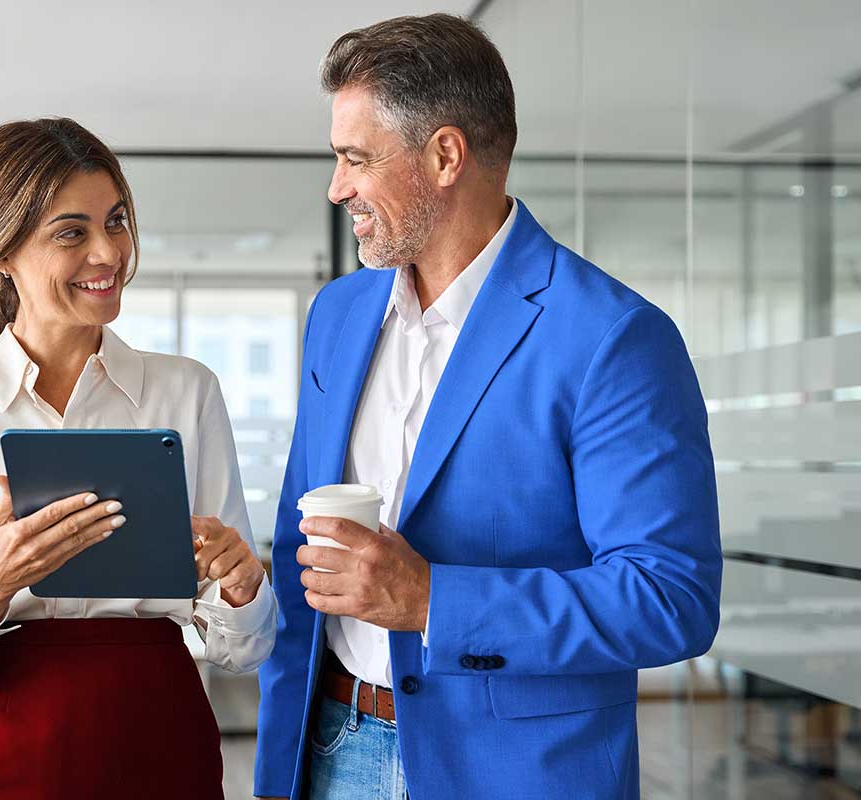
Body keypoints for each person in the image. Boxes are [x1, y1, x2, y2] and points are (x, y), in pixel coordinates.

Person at [254, 14, 721, 800]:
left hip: (513, 774)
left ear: (445, 155)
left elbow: (670, 597)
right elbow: (298, 557)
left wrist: (434, 600)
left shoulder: (614, 338)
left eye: (355, 159)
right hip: (328, 743)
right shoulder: (336, 316)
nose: (337, 188)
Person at [0, 117, 276, 799]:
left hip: (154, 738)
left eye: (118, 221)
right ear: (1, 253)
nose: (109, 252)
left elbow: (242, 649)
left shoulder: (188, 391)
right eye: (72, 232)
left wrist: (243, 583)